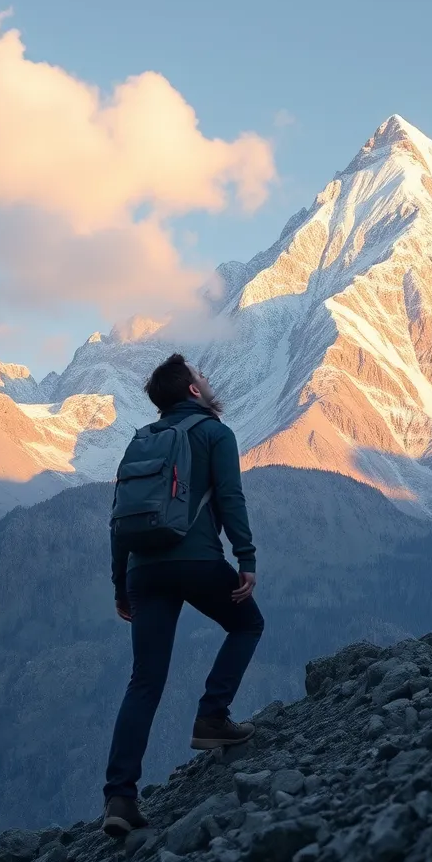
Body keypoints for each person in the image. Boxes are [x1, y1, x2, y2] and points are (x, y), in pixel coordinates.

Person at [102, 353, 263, 837]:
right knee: (247, 623)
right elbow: (231, 497)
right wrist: (246, 558)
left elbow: (119, 518)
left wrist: (120, 584)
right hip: (195, 560)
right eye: (200, 375)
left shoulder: (141, 441)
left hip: (142, 571)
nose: (207, 379)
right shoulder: (216, 433)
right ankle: (212, 716)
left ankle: (119, 799)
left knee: (144, 682)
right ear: (193, 391)